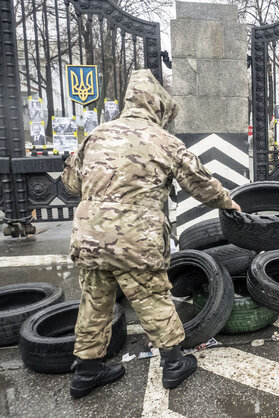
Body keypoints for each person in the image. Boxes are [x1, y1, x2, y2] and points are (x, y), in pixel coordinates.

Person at [62, 69, 241, 399]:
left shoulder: (96, 135)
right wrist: (228, 202)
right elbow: (199, 184)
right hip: (134, 240)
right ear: (158, 106)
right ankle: (173, 364)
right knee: (152, 298)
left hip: (89, 239)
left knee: (94, 304)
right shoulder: (164, 141)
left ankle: (86, 372)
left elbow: (72, 184)